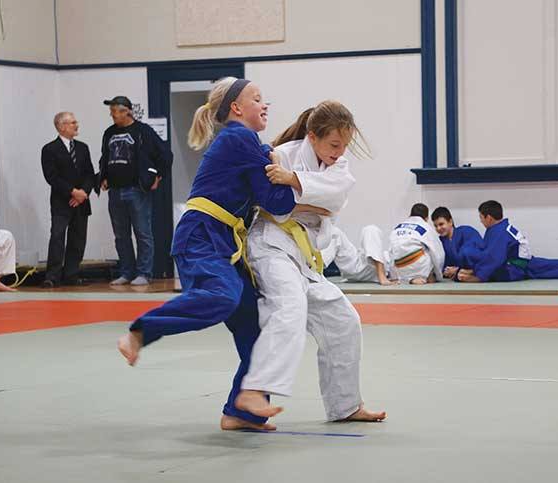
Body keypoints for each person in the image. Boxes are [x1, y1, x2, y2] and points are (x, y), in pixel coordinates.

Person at [116, 78, 296, 431]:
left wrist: (280, 171)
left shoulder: (245, 143)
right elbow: (276, 200)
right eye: (257, 99)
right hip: (202, 237)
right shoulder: (240, 138)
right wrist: (289, 177)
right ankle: (141, 331)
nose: (265, 104)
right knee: (221, 297)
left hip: (224, 242)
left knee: (252, 326)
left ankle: (240, 412)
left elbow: (271, 199)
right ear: (236, 108)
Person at [235, 102, 386, 423]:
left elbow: (335, 201)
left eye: (344, 146)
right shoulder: (280, 153)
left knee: (343, 321)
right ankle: (254, 389)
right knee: (289, 307)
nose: (339, 152)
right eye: (334, 144)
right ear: (313, 137)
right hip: (271, 247)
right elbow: (274, 205)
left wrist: (291, 180)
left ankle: (345, 406)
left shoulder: (328, 166)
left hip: (302, 256)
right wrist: (305, 195)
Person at [99, 95, 173, 286]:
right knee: (121, 235)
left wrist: (157, 176)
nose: (112, 115)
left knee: (142, 233)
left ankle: (144, 272)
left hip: (137, 190)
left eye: (115, 111)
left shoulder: (143, 131)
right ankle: (126, 271)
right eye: (111, 112)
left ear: (127, 112)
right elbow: (104, 157)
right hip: (115, 191)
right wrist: (103, 177)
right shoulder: (109, 133)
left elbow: (165, 155)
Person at [457, 200, 558, 282]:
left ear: (488, 218)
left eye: (481, 218)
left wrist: (477, 277)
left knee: (542, 269)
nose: (480, 221)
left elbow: (493, 260)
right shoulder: (504, 227)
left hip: (513, 268)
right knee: (544, 266)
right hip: (522, 261)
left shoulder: (498, 232)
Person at [41, 112, 95, 287]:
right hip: (61, 201)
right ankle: (52, 276)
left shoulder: (82, 148)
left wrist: (83, 194)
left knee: (78, 239)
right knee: (57, 236)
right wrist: (72, 192)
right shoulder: (49, 149)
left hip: (81, 201)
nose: (76, 125)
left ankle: (71, 274)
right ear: (61, 126)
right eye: (72, 123)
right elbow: (52, 177)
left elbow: (89, 173)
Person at [388, 203, 445, 285]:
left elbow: (391, 253)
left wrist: (394, 277)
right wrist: (439, 276)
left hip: (400, 270)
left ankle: (406, 279)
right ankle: (422, 277)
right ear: (426, 218)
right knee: (431, 250)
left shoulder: (397, 228)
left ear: (410, 214)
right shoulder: (426, 227)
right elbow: (438, 254)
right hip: (419, 269)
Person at [320, 225, 396, 285]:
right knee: (370, 229)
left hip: (378, 269)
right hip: (359, 266)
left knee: (371, 229)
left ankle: (381, 275)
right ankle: (314, 268)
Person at [430, 206, 483, 280]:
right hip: (455, 281)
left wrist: (457, 269)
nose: (438, 228)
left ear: (450, 222)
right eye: (435, 226)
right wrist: (446, 271)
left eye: (441, 224)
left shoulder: (467, 232)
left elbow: (480, 257)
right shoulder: (440, 242)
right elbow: (440, 264)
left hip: (476, 277)